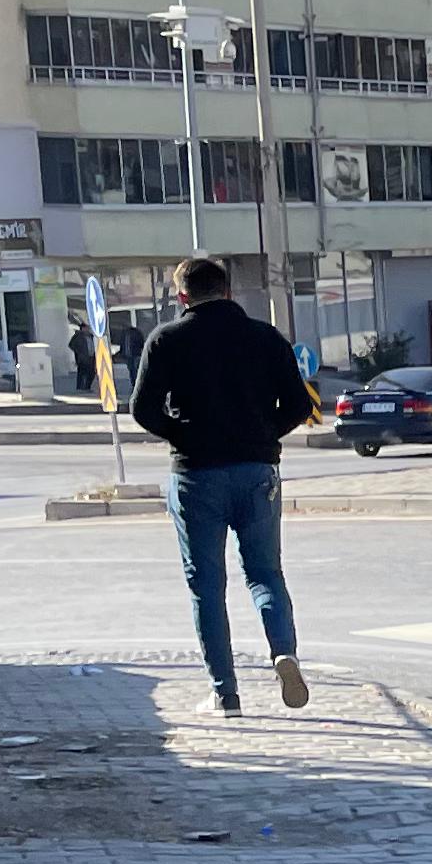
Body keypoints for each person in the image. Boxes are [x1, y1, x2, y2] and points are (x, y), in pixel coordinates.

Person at [127, 255, 316, 714]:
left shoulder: (166, 340)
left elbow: (141, 409)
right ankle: (283, 651)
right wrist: (261, 434)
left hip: (197, 474)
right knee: (265, 573)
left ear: (181, 296)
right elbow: (297, 403)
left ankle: (224, 692)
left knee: (206, 585)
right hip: (256, 472)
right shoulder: (265, 338)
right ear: (228, 292)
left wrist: (184, 433)